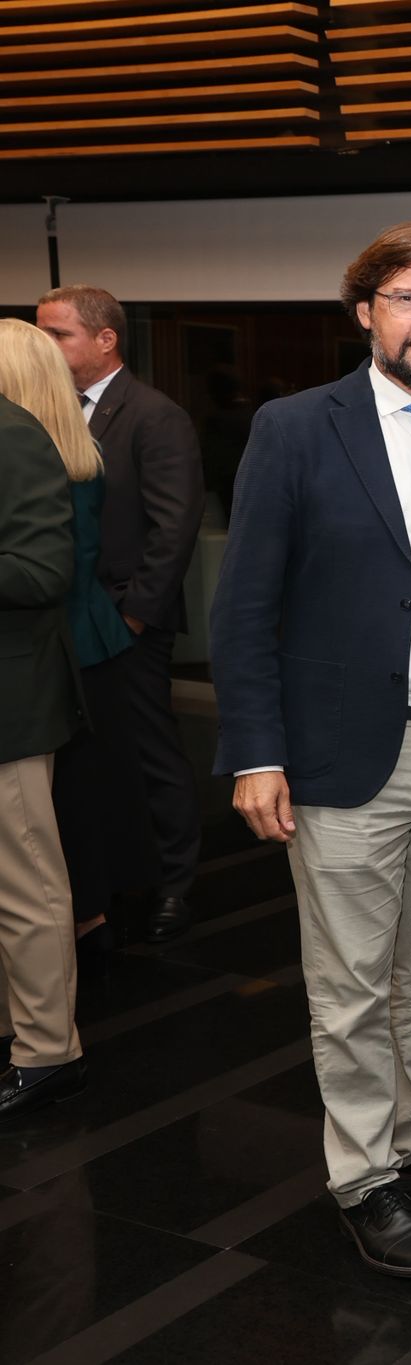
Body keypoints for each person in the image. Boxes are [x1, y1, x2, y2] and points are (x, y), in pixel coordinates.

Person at [210, 222, 411, 1278]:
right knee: (352, 984)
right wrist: (255, 751)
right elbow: (244, 606)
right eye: (408, 299)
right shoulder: (296, 429)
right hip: (349, 755)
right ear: (366, 313)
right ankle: (364, 1175)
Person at [37, 285, 205, 945]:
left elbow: (175, 527)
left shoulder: (154, 415)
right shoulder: (48, 411)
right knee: (93, 757)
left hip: (126, 619)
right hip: (71, 620)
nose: (47, 345)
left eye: (59, 333)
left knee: (149, 749)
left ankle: (175, 882)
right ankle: (112, 878)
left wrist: (134, 615)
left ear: (105, 339)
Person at [0, 320, 145, 965]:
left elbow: (48, 573)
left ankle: (84, 923)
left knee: (55, 817)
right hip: (80, 643)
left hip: (58, 650)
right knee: (80, 800)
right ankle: (93, 917)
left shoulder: (27, 454)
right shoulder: (76, 451)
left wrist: (138, 614)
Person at [0, 386, 89, 1123]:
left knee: (25, 886)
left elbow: (41, 571)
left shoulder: (13, 434)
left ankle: (48, 1053)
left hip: (12, 707)